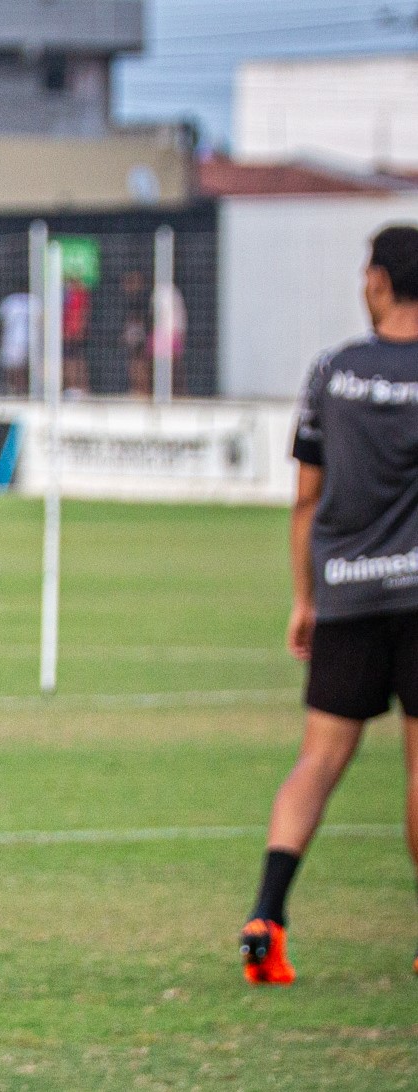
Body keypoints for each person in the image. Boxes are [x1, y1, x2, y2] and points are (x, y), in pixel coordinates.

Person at [240, 223, 418, 986]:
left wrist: (304, 599)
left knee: (318, 759)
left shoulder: (332, 371)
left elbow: (305, 498)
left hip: (343, 591)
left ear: (379, 281)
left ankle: (267, 917)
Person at [0, 291, 32, 397]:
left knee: (21, 368)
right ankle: (14, 389)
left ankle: (22, 390)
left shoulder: (32, 301)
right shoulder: (10, 301)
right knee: (12, 366)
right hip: (12, 339)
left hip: (27, 340)